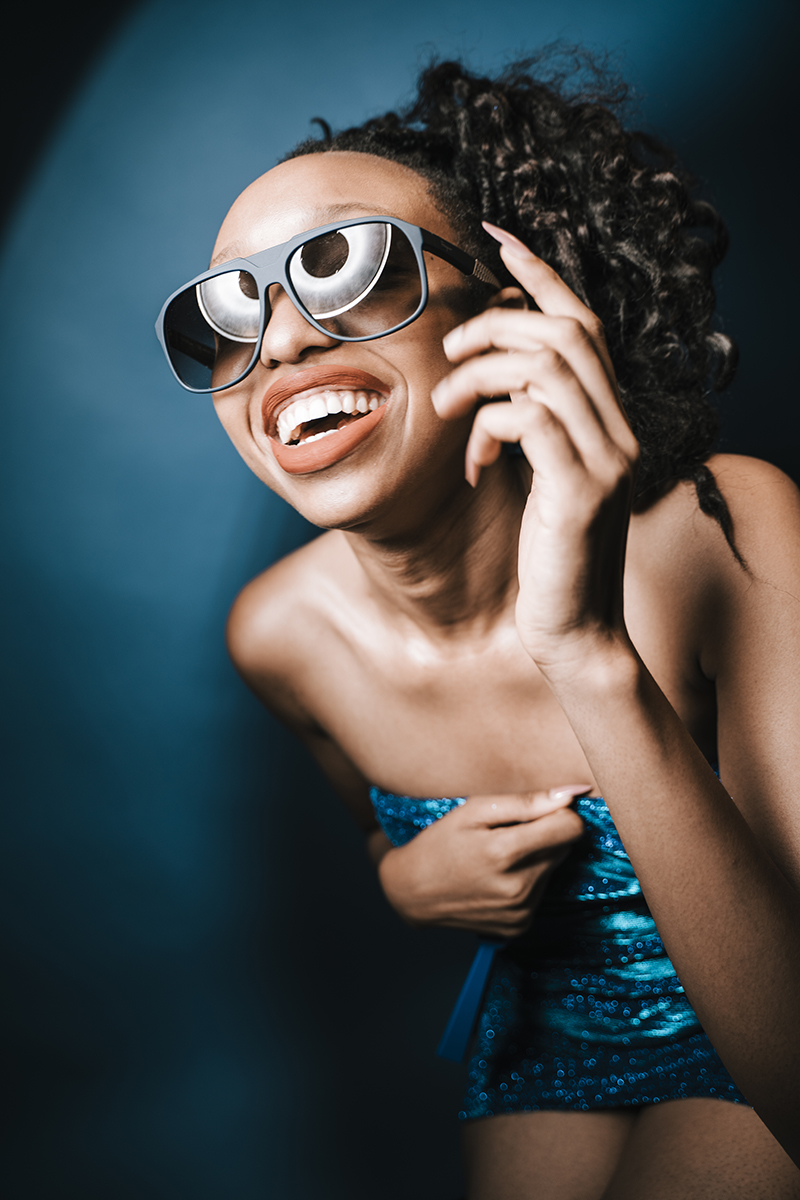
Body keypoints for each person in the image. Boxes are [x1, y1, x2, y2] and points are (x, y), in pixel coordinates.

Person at [156, 57, 800, 1199]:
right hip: (537, 1050)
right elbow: (378, 837)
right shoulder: (279, 637)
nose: (285, 344)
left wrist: (586, 651)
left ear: (508, 314)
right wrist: (402, 882)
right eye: (224, 313)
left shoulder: (722, 529)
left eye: (348, 272)